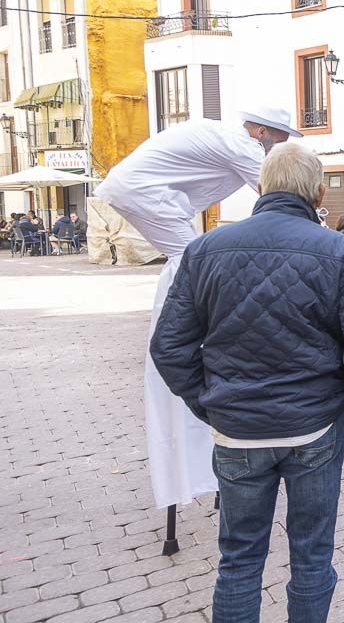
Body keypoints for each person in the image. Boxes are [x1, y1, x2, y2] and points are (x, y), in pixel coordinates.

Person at [149, 142, 344, 623]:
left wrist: (212, 404)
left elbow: (168, 347)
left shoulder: (204, 250)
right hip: (312, 427)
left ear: (260, 188)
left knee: (239, 559)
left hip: (240, 429)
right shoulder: (338, 250)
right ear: (319, 192)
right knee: (312, 556)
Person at [95, 106, 301, 510]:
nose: (283, 147)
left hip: (146, 193)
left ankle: (201, 321)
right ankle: (202, 322)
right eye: (280, 139)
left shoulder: (224, 137)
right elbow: (278, 194)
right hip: (144, 193)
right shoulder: (241, 145)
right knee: (192, 263)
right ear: (261, 131)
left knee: (191, 260)